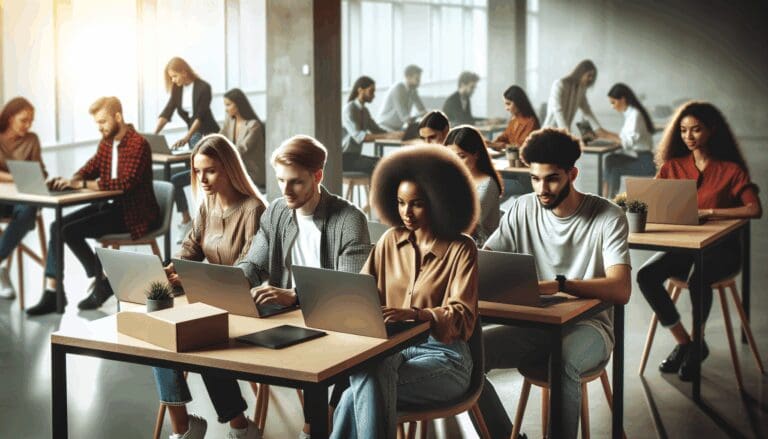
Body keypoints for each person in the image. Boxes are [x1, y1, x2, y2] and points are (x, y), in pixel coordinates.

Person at [473, 128, 631, 439]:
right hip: (537, 325)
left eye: (552, 178)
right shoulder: (523, 207)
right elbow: (486, 257)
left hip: (590, 328)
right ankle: (506, 435)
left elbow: (620, 288)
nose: (541, 188)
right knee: (469, 356)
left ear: (572, 173)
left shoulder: (608, 216)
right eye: (535, 178)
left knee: (564, 362)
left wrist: (560, 285)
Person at [214, 135, 370, 438]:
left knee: (347, 353)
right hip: (282, 320)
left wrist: (296, 297)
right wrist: (230, 285)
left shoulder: (349, 220)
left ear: (317, 176)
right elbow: (254, 264)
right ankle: (239, 425)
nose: (285, 190)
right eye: (280, 180)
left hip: (331, 326)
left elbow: (349, 296)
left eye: (295, 182)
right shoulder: (276, 211)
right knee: (206, 339)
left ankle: (315, 427)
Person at [331, 144, 479, 439]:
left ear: (439, 201)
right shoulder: (389, 241)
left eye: (417, 203)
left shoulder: (461, 248)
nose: (406, 212)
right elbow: (360, 294)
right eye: (400, 202)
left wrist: (416, 314)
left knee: (354, 396)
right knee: (366, 378)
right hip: (392, 350)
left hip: (445, 357)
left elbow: (462, 317)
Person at [636, 101, 762, 381]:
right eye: (683, 131)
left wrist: (711, 212)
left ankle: (696, 343)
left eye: (696, 130)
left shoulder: (730, 169)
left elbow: (754, 209)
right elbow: (652, 203)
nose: (688, 137)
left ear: (711, 131)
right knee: (646, 275)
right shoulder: (672, 166)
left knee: (698, 278)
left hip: (723, 251)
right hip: (683, 249)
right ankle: (687, 343)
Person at [153, 134, 267, 439]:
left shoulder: (253, 209)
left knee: (197, 335)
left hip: (243, 304)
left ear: (229, 169)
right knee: (159, 333)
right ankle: (184, 427)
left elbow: (247, 272)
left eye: (210, 171)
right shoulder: (207, 205)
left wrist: (194, 279)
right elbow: (190, 248)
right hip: (205, 299)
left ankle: (239, 426)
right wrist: (172, 268)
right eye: (197, 171)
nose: (201, 178)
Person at [26, 97, 160, 315]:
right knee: (56, 226)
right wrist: (73, 179)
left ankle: (103, 281)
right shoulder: (106, 142)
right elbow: (91, 167)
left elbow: (126, 183)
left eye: (103, 122)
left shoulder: (139, 144)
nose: (100, 127)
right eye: (97, 123)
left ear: (118, 117)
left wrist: (83, 184)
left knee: (69, 230)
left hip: (134, 213)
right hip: (109, 206)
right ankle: (54, 293)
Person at [154, 57, 220, 239]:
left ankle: (205, 223)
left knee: (194, 181)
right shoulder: (178, 89)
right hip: (193, 139)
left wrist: (186, 137)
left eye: (175, 76)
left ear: (184, 72)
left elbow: (199, 116)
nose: (173, 81)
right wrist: (154, 133)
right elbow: (168, 111)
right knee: (189, 182)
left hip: (208, 136)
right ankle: (188, 220)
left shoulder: (203, 88)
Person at [0, 97, 45, 299]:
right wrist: (16, 177)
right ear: (10, 118)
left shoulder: (31, 139)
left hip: (23, 198)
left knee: (28, 210)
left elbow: (40, 172)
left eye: (31, 121)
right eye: (23, 120)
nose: (28, 126)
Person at [444, 126, 502, 247]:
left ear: (476, 154)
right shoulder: (453, 179)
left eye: (461, 156)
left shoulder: (487, 184)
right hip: (455, 244)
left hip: (480, 250)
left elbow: (467, 225)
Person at [599, 83, 656, 197]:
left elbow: (627, 142)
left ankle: (611, 201)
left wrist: (605, 135)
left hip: (646, 163)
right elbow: (624, 138)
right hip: (638, 157)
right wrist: (603, 134)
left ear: (623, 99)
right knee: (609, 159)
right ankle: (603, 198)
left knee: (615, 169)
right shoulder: (630, 114)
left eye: (613, 102)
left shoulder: (635, 115)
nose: (612, 106)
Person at [342, 76, 402, 174]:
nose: (373, 95)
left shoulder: (364, 111)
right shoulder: (349, 109)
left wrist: (396, 134)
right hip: (344, 159)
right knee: (383, 164)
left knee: (387, 162)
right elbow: (359, 137)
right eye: (371, 91)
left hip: (355, 156)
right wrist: (387, 136)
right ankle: (379, 189)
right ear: (360, 90)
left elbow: (377, 130)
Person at [220, 88, 266, 189]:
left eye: (228, 105)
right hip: (236, 169)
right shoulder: (230, 121)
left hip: (251, 172)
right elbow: (220, 138)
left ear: (238, 105)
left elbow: (242, 149)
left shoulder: (253, 125)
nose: (225, 109)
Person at [542, 59, 603, 133]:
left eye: (593, 76)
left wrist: (599, 128)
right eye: (589, 75)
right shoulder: (559, 84)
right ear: (581, 73)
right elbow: (557, 110)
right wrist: (566, 132)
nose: (591, 79)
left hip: (564, 133)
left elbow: (587, 111)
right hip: (550, 132)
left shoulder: (581, 90)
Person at [489, 85, 540, 149]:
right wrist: (492, 143)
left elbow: (523, 146)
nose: (506, 108)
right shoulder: (514, 120)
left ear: (518, 102)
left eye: (508, 104)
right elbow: (505, 137)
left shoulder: (531, 122)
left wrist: (502, 145)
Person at [378, 65, 427, 131]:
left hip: (397, 128)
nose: (419, 83)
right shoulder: (399, 88)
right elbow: (405, 118)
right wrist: (421, 115)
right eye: (417, 79)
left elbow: (422, 110)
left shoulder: (413, 90)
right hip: (385, 127)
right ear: (408, 77)